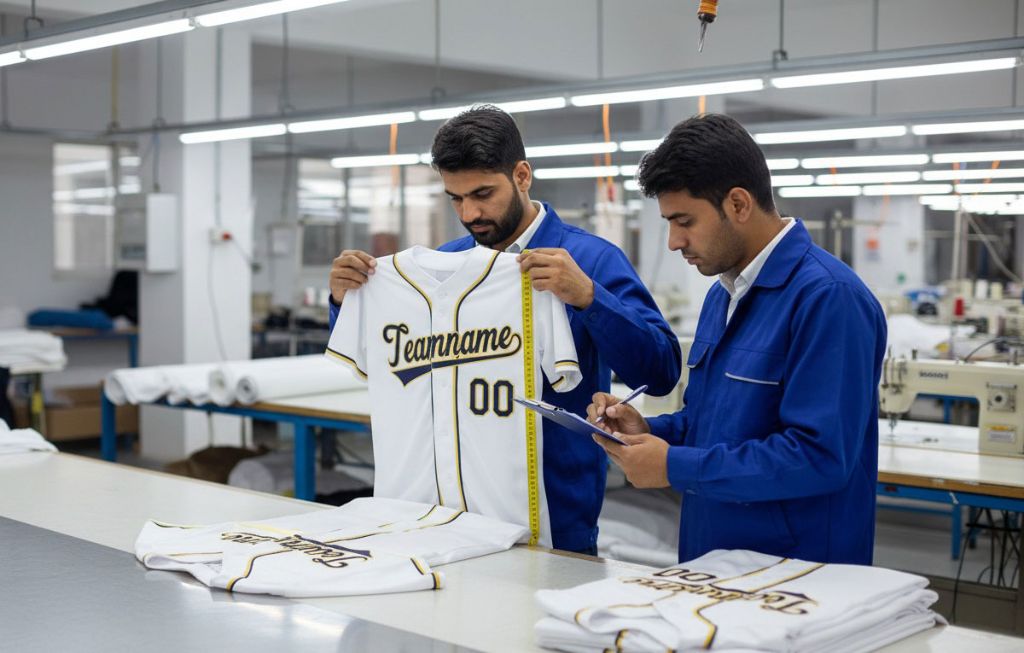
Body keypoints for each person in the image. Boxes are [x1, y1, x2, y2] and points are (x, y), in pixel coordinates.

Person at [328, 106, 682, 554]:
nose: (470, 213)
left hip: (554, 512)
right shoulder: (446, 264)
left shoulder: (589, 260)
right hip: (442, 518)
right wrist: (346, 300)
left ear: (521, 175)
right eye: (455, 198)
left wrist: (591, 298)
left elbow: (662, 368)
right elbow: (385, 352)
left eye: (482, 193)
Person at [588, 113, 886, 565]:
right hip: (713, 562)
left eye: (684, 221)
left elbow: (819, 456)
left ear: (739, 204)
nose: (673, 241)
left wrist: (673, 466)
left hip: (797, 575)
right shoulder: (722, 294)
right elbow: (709, 424)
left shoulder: (829, 299)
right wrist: (650, 429)